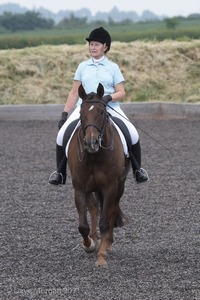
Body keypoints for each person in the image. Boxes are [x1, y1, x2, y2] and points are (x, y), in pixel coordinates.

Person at [49, 27, 149, 185]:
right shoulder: (82, 67)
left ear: (105, 47)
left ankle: (137, 170)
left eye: (96, 44)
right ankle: (60, 173)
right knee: (61, 135)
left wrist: (108, 97)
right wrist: (64, 113)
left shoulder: (113, 67)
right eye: (91, 44)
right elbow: (74, 92)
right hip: (85, 109)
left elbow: (121, 92)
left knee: (133, 133)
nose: (93, 47)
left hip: (110, 108)